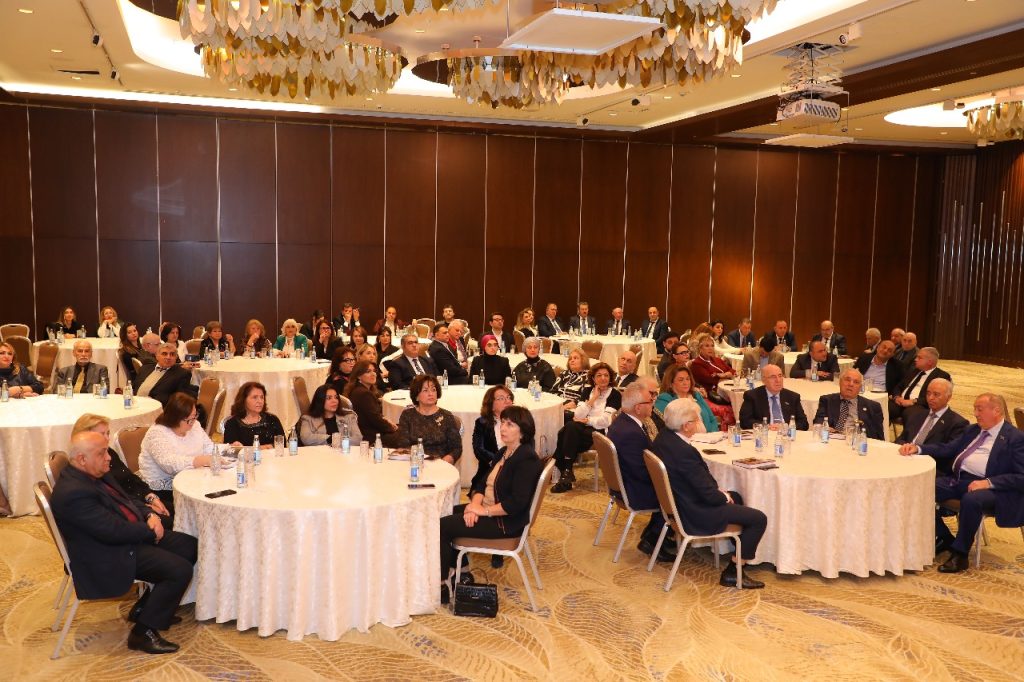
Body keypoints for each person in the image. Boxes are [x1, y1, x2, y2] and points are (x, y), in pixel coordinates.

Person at [51, 430, 197, 654]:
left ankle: (145, 608)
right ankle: (143, 634)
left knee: (190, 546)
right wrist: (150, 532)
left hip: (126, 537)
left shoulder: (95, 472)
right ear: (82, 459)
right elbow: (112, 531)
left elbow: (127, 500)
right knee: (179, 571)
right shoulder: (73, 493)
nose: (109, 457)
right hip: (105, 554)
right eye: (102, 453)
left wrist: (149, 515)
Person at [900, 393, 1024, 573]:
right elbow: (948, 448)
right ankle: (943, 537)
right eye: (974, 409)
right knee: (919, 488)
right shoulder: (973, 430)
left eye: (979, 409)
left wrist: (988, 482)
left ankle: (960, 554)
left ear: (996, 411)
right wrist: (918, 448)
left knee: (971, 500)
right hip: (959, 480)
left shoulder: (1015, 438)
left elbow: (1021, 476)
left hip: (995, 489)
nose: (975, 413)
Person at [652, 399, 767, 589]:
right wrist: (722, 496)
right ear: (686, 426)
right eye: (696, 419)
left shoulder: (663, 438)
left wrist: (723, 494)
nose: (699, 422)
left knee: (737, 497)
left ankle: (739, 550)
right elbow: (709, 496)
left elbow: (697, 483)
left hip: (679, 504)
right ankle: (733, 572)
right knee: (758, 519)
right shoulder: (684, 452)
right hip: (694, 513)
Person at [438, 405, 543, 601]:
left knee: (442, 526)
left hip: (505, 522)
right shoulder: (505, 452)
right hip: (488, 509)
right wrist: (474, 507)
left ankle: (442, 585)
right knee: (445, 512)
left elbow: (516, 503)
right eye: (502, 422)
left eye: (510, 424)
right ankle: (463, 573)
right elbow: (481, 482)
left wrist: (482, 512)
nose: (503, 428)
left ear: (523, 431)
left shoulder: (526, 459)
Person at [608, 383, 675, 562]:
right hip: (634, 490)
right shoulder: (631, 433)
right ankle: (652, 540)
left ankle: (654, 532)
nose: (653, 402)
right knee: (678, 489)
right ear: (638, 408)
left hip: (625, 483)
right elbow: (642, 473)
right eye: (650, 400)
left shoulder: (623, 422)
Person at [71, 414, 171, 525]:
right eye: (102, 434)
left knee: (177, 508)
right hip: (132, 510)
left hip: (140, 500)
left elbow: (130, 477)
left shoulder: (109, 452)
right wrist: (147, 510)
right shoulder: (94, 465)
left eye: (108, 433)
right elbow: (117, 497)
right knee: (174, 521)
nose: (107, 438)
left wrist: (151, 497)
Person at [551, 362, 622, 493]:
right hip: (581, 429)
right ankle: (566, 473)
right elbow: (577, 414)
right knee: (570, 428)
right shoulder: (588, 391)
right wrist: (593, 399)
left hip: (600, 432)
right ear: (593, 378)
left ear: (610, 378)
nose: (603, 378)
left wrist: (588, 420)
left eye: (606, 375)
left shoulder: (615, 395)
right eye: (599, 375)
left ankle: (566, 470)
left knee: (565, 432)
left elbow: (605, 421)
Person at [138, 392, 213, 513]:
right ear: (175, 418)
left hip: (190, 481)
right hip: (163, 490)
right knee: (201, 507)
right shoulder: (157, 433)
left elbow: (209, 447)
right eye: (189, 419)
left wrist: (231, 449)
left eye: (195, 416)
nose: (193, 422)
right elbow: (169, 464)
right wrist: (196, 461)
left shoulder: (195, 425)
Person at [895, 378, 968, 474]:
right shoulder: (916, 414)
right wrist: (905, 446)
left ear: (948, 397)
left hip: (929, 467)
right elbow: (901, 438)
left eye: (936, 394)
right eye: (928, 393)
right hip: (904, 459)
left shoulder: (957, 423)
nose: (930, 398)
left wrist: (918, 449)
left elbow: (948, 450)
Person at [397, 374, 462, 463]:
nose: (431, 394)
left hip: (440, 462)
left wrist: (444, 462)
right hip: (414, 462)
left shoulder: (447, 416)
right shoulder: (407, 415)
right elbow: (403, 445)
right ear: (416, 396)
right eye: (425, 390)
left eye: (433, 390)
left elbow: (456, 448)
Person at [812, 368, 885, 440]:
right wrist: (823, 427)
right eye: (847, 380)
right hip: (832, 441)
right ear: (840, 382)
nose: (851, 384)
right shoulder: (827, 400)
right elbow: (818, 423)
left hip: (857, 442)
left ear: (860, 387)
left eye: (856, 382)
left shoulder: (873, 407)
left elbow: (878, 438)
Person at [345, 360, 402, 447]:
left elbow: (375, 416)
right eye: (368, 371)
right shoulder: (364, 394)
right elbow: (376, 420)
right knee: (408, 433)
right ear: (359, 376)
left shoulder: (356, 389)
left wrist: (389, 423)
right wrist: (392, 428)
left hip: (367, 431)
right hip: (372, 436)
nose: (373, 374)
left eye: (374, 371)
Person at [738, 364, 809, 430]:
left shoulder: (792, 397)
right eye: (773, 377)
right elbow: (745, 421)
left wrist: (786, 427)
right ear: (763, 380)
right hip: (765, 434)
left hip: (787, 434)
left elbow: (804, 423)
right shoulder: (752, 396)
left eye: (780, 376)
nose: (778, 380)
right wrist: (766, 426)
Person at [889, 346, 951, 421]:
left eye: (919, 358)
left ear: (929, 362)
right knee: (881, 407)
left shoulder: (941, 376)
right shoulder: (914, 371)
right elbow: (899, 386)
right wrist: (897, 397)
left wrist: (913, 401)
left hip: (918, 405)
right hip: (900, 402)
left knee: (910, 414)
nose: (915, 359)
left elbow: (937, 397)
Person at [471, 385, 515, 490]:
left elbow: (528, 445)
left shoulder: (520, 421)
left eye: (509, 397)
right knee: (478, 495)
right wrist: (497, 462)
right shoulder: (482, 423)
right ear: (491, 405)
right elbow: (478, 449)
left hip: (515, 471)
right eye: (501, 398)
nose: (507, 401)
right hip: (489, 471)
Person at [655, 364, 718, 433]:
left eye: (688, 379)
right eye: (681, 380)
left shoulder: (696, 395)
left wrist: (712, 434)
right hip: (685, 438)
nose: (686, 383)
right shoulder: (664, 399)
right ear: (671, 383)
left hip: (708, 436)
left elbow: (712, 419)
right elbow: (667, 429)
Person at [222, 382, 286, 447]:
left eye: (262, 397)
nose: (260, 401)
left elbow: (283, 445)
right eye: (255, 397)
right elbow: (229, 449)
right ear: (243, 400)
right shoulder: (232, 424)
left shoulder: (272, 419)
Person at [133, 343, 198, 406]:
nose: (168, 357)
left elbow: (178, 400)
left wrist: (150, 402)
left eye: (172, 354)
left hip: (156, 407)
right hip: (135, 404)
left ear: (176, 357)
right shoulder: (145, 368)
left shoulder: (181, 374)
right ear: (157, 356)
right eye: (164, 354)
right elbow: (134, 387)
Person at [690, 333, 736, 398]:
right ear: (700, 348)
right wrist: (727, 375)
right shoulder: (697, 364)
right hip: (712, 394)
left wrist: (724, 375)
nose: (710, 348)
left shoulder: (717, 359)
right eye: (707, 346)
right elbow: (712, 379)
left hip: (727, 388)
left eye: (712, 346)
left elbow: (733, 371)